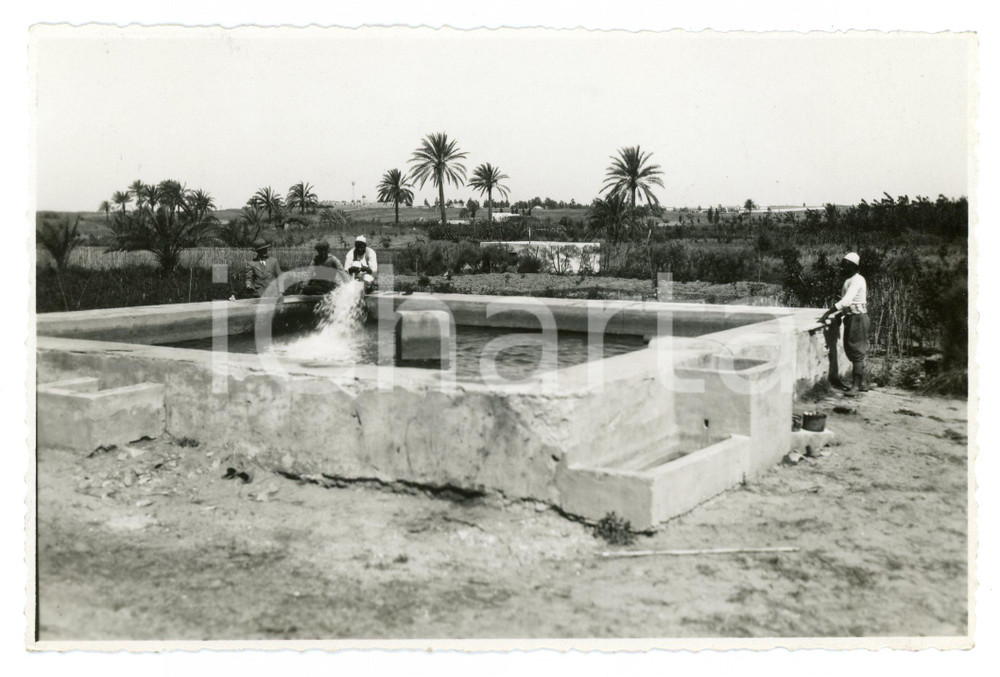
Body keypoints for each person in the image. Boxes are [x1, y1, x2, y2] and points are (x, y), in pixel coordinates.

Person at [821, 252, 870, 395]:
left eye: (845, 266)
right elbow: (852, 303)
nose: (842, 268)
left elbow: (847, 301)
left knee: (856, 352)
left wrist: (828, 313)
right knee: (854, 350)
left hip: (858, 318)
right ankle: (862, 383)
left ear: (853, 266)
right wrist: (840, 314)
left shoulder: (857, 280)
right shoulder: (851, 280)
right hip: (853, 317)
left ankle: (855, 387)